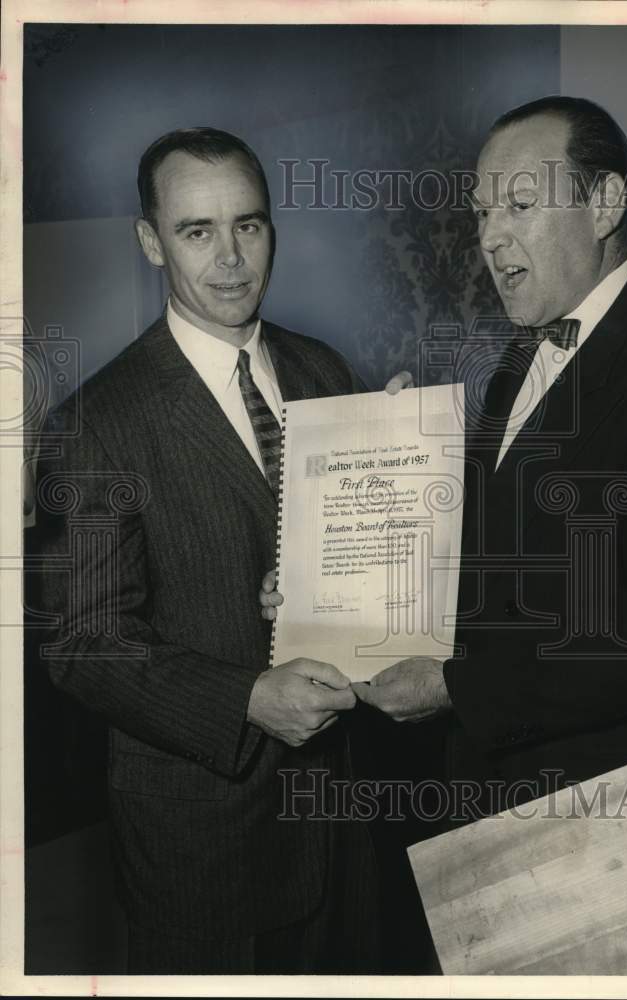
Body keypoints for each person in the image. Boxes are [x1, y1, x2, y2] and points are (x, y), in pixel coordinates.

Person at [33, 127, 402, 973]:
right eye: (198, 231)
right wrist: (244, 698)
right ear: (150, 241)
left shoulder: (324, 370)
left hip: (345, 818)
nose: (231, 258)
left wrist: (405, 484)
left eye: (250, 224)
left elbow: (355, 573)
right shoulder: (96, 420)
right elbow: (86, 644)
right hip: (203, 845)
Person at [352, 96, 627, 816]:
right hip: (489, 800)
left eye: (520, 204)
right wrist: (365, 536)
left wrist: (457, 687)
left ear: (606, 202)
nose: (490, 237)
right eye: (483, 212)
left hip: (619, 817)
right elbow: (506, 564)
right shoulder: (521, 357)